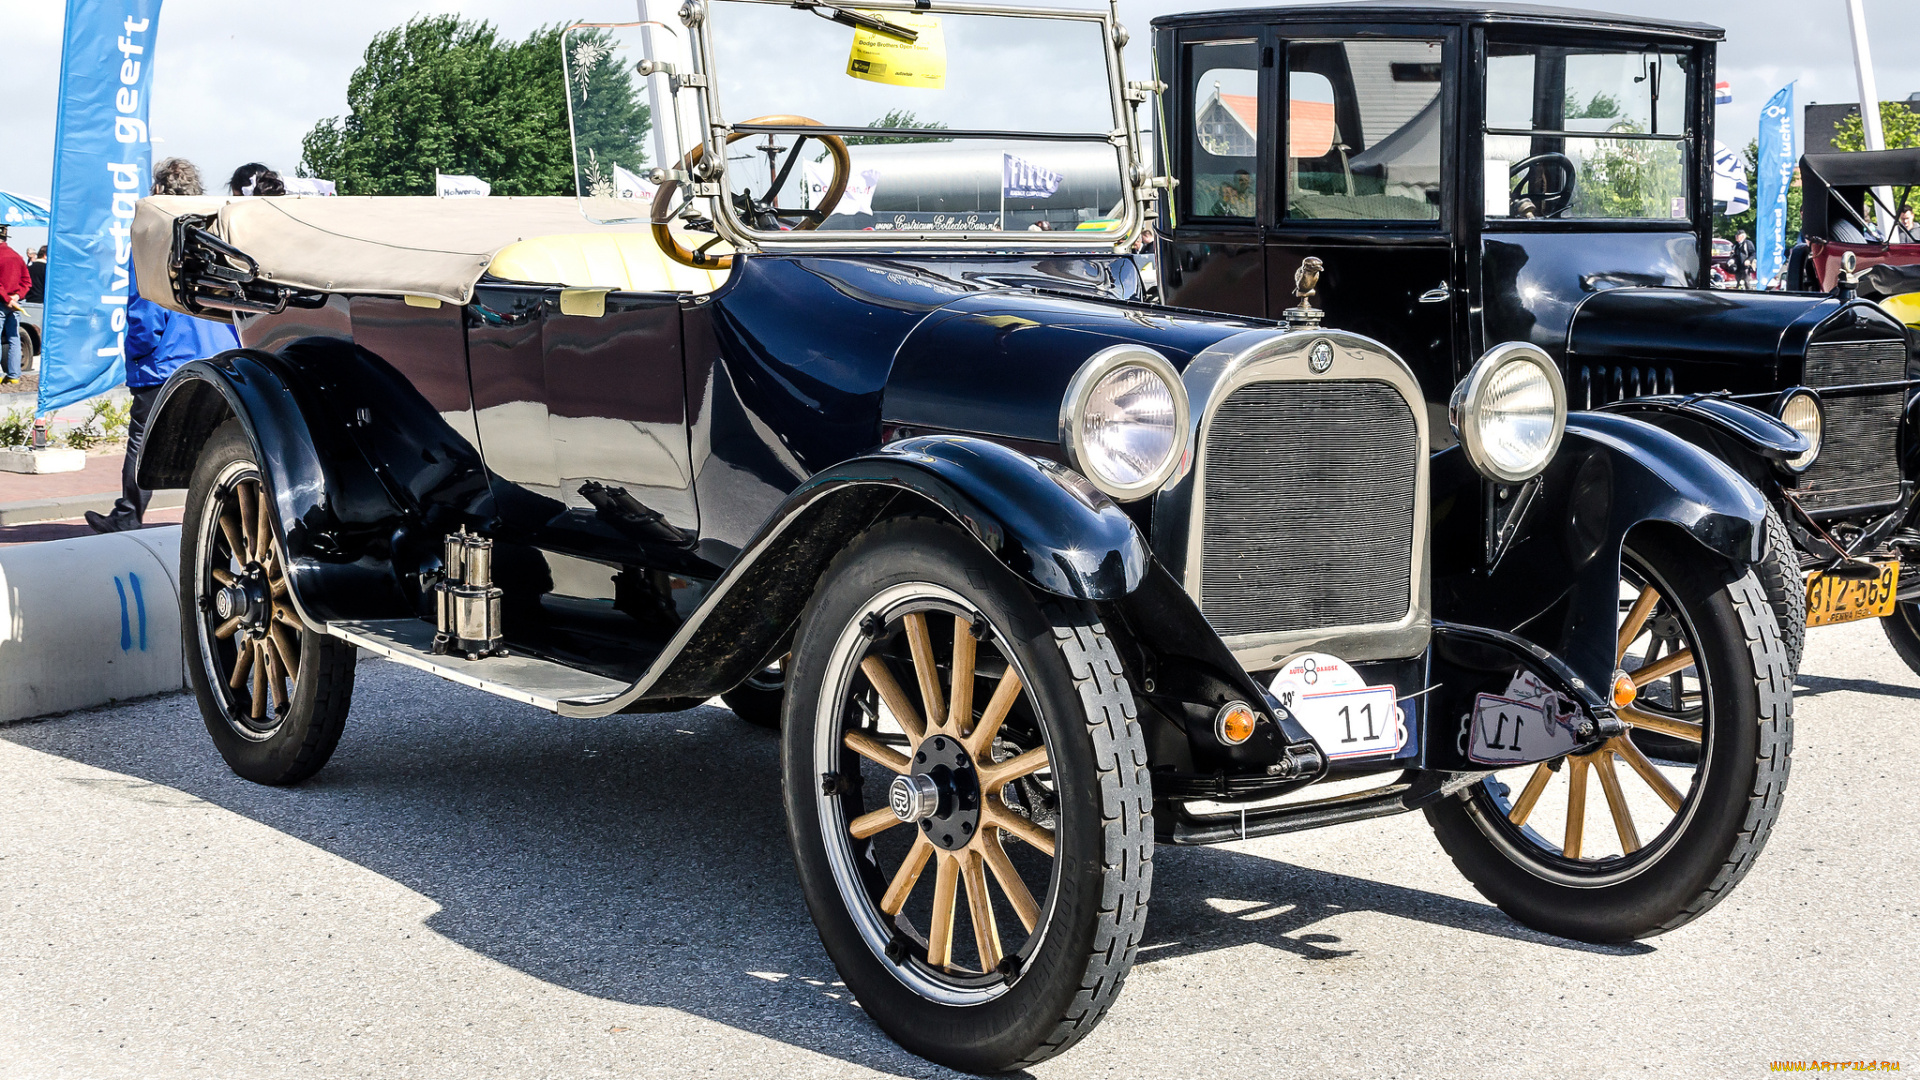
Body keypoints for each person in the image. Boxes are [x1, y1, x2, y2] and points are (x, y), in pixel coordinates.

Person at [87, 158, 240, 533]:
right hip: (217, 353)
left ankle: (127, 514)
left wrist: (138, 354)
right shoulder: (217, 236)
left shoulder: (154, 238)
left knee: (142, 441)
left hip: (165, 360)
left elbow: (145, 311)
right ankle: (225, 520)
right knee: (215, 441)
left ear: (158, 190)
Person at [0, 225, 31, 385]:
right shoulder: (17, 256)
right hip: (16, 304)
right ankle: (14, 375)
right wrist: (16, 297)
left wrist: (6, 299)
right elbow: (27, 281)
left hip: (2, 301)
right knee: (13, 337)